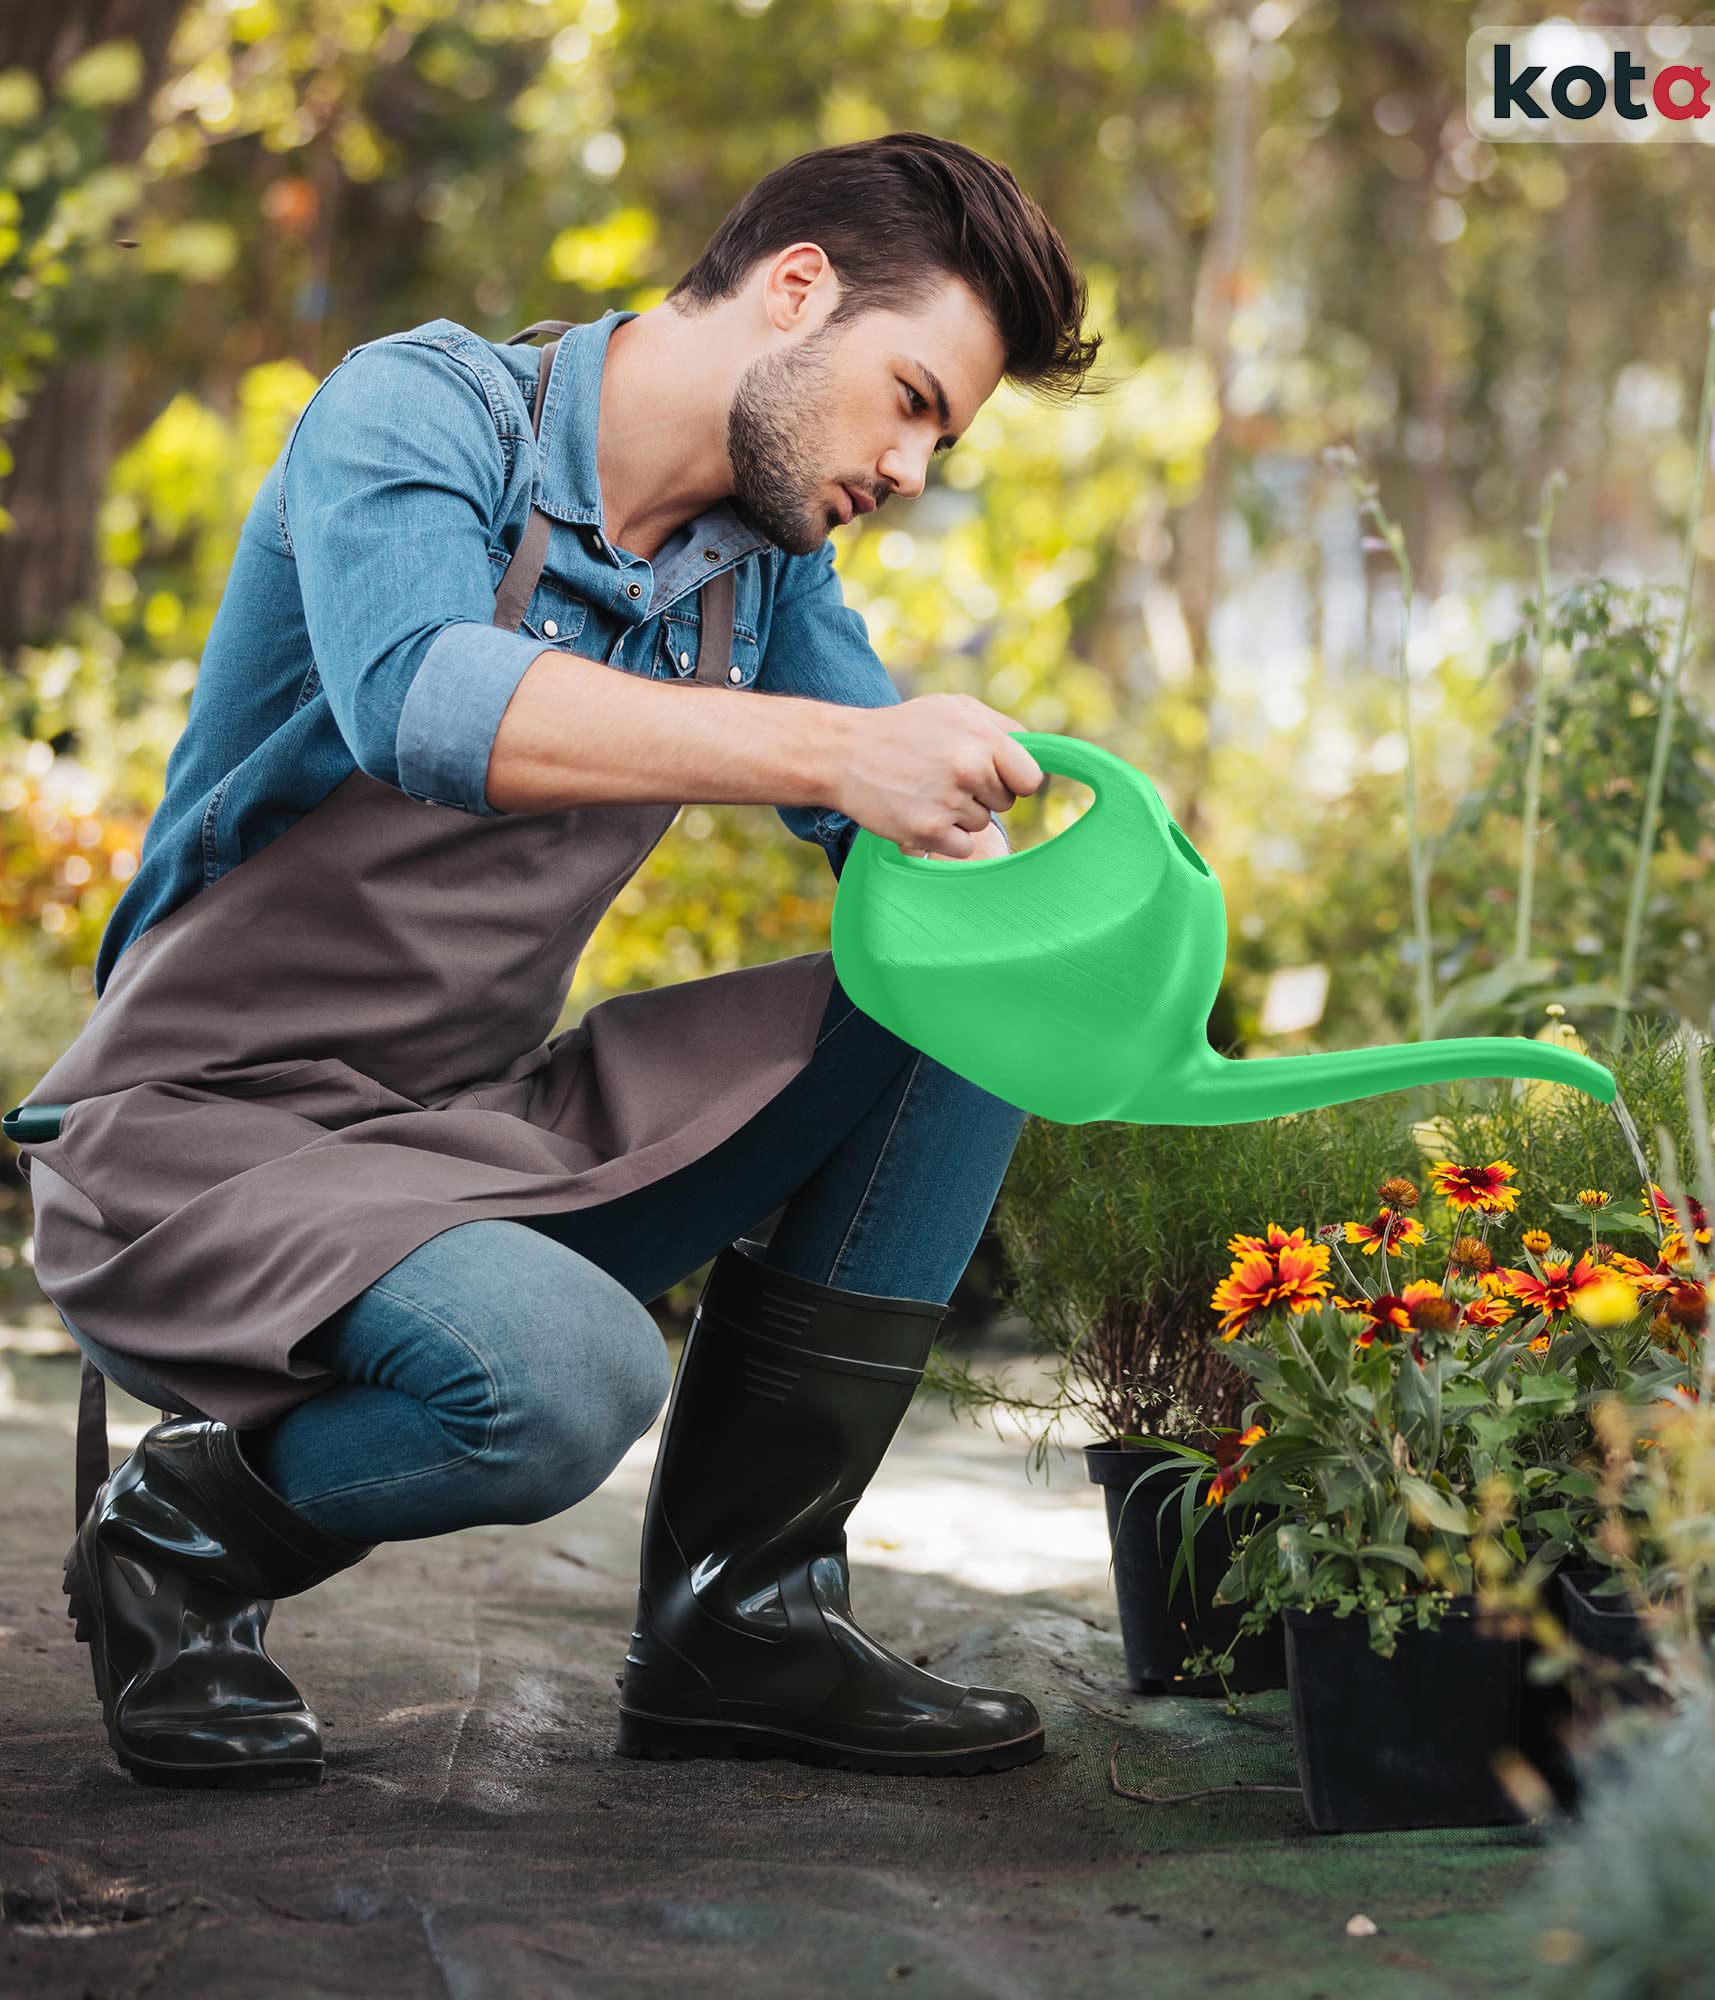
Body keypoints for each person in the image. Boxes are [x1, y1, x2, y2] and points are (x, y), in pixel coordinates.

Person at [13, 131, 1100, 1788]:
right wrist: (826, 755)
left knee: (960, 1019)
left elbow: (898, 813)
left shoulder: (764, 570)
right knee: (559, 1379)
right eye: (912, 398)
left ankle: (740, 1621)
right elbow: (425, 702)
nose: (913, 467)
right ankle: (182, 1532)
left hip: (467, 1129)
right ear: (794, 289)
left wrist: (1051, 897)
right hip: (208, 1133)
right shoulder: (422, 414)